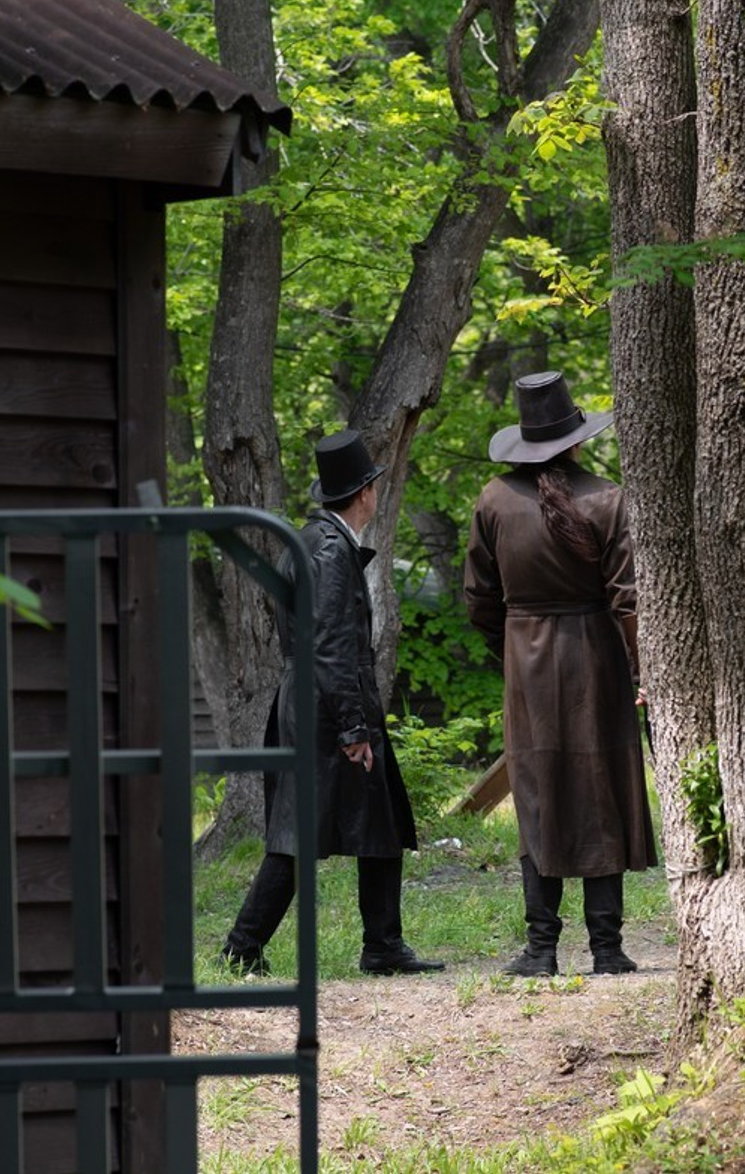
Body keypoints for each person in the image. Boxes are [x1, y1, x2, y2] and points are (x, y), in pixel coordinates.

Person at [223, 429, 444, 977]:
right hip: (326, 707)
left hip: (323, 701)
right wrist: (351, 728)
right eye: (375, 487)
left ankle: (382, 945)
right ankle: (241, 948)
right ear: (364, 492)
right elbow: (329, 644)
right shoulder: (328, 550)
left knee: (379, 821)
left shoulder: (319, 541)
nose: (377, 496)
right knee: (299, 834)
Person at [463, 371, 657, 977]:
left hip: (527, 660)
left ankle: (541, 948)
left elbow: (478, 597)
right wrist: (641, 668)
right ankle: (607, 948)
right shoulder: (607, 497)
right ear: (575, 439)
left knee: (537, 791)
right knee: (600, 788)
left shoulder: (494, 499)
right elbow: (627, 598)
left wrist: (513, 650)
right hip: (597, 656)